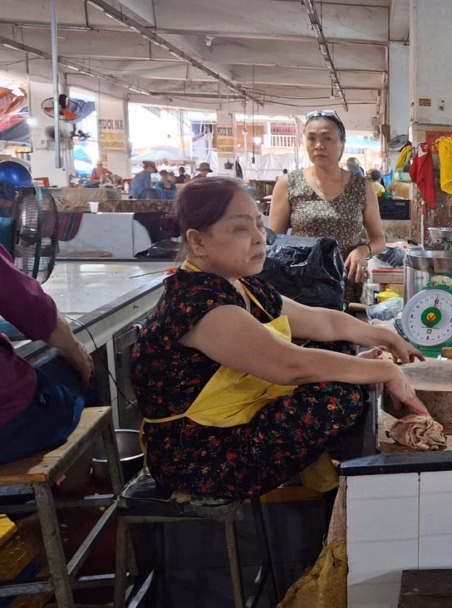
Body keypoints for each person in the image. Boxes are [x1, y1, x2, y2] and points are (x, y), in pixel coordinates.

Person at [131, 177, 427, 499]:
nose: (259, 238)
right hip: (199, 453)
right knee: (339, 397)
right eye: (241, 228)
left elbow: (323, 321)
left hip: (229, 421)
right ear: (198, 241)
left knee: (338, 352)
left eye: (259, 226)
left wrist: (386, 337)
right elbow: (290, 366)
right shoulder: (197, 301)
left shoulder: (241, 285)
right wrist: (384, 370)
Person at [270, 111, 385, 303]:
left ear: (342, 144)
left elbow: (379, 238)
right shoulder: (288, 183)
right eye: (311, 138)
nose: (318, 145)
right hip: (300, 286)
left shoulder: (362, 187)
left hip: (346, 284)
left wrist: (364, 250)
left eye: (327, 138)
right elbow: (274, 241)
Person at [0, 245, 95, 464]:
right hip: (9, 427)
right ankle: (84, 480)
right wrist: (76, 353)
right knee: (83, 377)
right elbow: (32, 307)